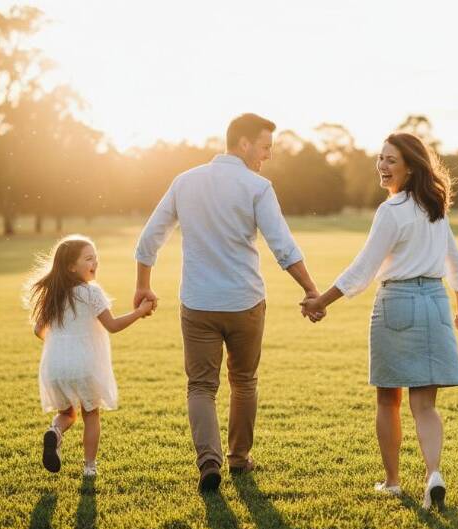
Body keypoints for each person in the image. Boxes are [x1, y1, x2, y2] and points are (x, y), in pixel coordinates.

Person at [134, 113, 322, 493]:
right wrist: (311, 290)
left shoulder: (185, 182)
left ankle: (209, 463)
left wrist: (143, 286)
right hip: (244, 303)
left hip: (199, 303)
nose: (266, 156)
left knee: (201, 386)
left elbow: (150, 237)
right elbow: (282, 246)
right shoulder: (258, 187)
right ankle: (238, 458)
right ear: (244, 144)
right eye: (265, 148)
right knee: (244, 381)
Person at [301, 133, 458, 510]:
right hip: (435, 302)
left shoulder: (392, 211)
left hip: (398, 302)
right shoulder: (436, 209)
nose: (382, 165)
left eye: (391, 160)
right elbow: (456, 264)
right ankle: (433, 474)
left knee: (388, 399)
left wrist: (321, 301)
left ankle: (394, 482)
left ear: (411, 167)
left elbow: (364, 268)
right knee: (425, 405)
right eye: (380, 158)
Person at [26, 235, 153, 477]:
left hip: (55, 366)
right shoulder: (91, 293)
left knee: (67, 413)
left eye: (96, 257)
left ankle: (55, 431)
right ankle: (89, 468)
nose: (95, 262)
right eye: (88, 258)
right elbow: (113, 325)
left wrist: (62, 343)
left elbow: (37, 330)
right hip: (84, 364)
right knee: (91, 414)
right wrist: (140, 311)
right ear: (71, 267)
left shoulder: (53, 295)